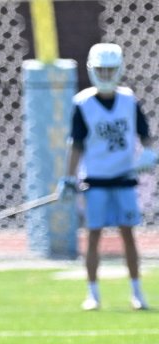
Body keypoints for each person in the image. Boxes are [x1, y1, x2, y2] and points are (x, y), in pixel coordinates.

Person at [61, 43, 155, 311]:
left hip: (124, 180)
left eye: (110, 70)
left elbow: (145, 136)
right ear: (93, 70)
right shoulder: (83, 103)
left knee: (128, 235)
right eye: (101, 70)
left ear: (119, 69)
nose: (105, 75)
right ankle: (93, 294)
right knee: (93, 236)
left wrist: (149, 154)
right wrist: (69, 178)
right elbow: (77, 144)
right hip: (96, 181)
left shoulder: (129, 100)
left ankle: (137, 292)